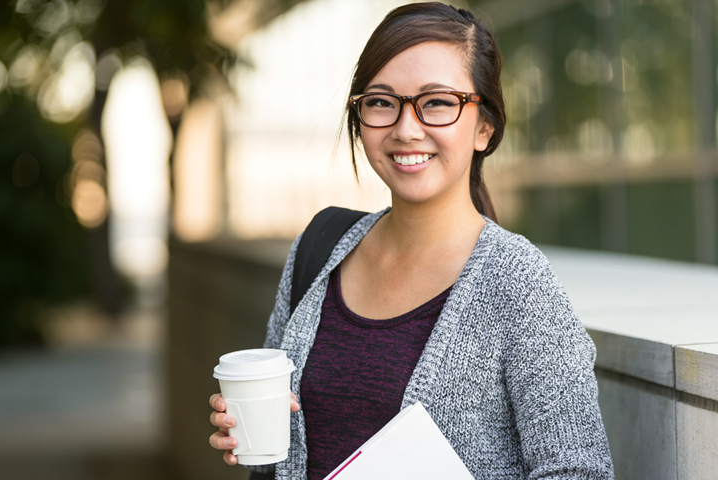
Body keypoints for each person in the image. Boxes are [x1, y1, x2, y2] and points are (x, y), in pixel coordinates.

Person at [209, 3, 615, 479]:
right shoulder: (320, 248)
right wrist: (244, 427)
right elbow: (285, 443)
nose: (406, 128)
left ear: (484, 126)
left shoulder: (519, 283)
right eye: (382, 102)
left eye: (437, 102)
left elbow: (579, 471)